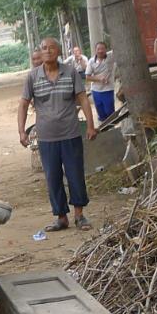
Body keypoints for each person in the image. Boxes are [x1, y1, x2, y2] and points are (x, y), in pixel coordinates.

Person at [18, 38, 98, 231]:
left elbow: (83, 99)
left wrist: (90, 125)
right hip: (46, 137)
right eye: (44, 48)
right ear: (41, 52)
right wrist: (21, 131)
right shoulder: (32, 77)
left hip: (70, 133)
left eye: (51, 47)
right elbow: (23, 104)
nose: (48, 51)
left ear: (59, 51)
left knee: (75, 174)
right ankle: (61, 217)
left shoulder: (70, 72)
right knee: (53, 177)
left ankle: (79, 216)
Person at [86, 41, 117, 121]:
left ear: (106, 50)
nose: (100, 51)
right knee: (101, 113)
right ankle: (104, 130)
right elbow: (88, 77)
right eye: (98, 49)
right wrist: (99, 78)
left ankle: (112, 128)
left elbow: (118, 47)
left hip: (108, 89)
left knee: (110, 111)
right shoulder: (91, 61)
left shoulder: (111, 56)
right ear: (95, 50)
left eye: (102, 49)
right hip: (96, 90)